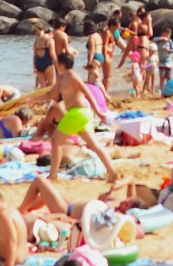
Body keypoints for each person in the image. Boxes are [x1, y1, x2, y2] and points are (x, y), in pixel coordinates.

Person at [44, 54, 119, 184]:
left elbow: (88, 93)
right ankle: (112, 172)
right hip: (79, 114)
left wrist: (99, 112)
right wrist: (31, 100)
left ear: (62, 64)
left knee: (55, 140)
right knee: (94, 145)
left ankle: (52, 175)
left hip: (78, 113)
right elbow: (51, 94)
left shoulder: (72, 76)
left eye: (57, 63)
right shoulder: (62, 79)